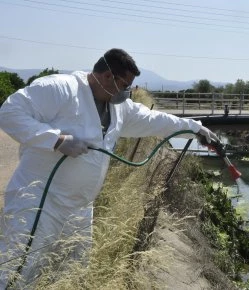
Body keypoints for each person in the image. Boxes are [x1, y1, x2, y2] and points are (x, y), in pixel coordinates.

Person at [0, 48, 218, 287]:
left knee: (69, 274)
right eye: (124, 85)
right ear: (107, 77)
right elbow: (9, 113)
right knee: (19, 273)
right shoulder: (60, 89)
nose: (127, 92)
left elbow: (152, 120)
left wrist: (194, 128)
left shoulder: (118, 108)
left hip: (80, 208)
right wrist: (57, 140)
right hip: (40, 204)